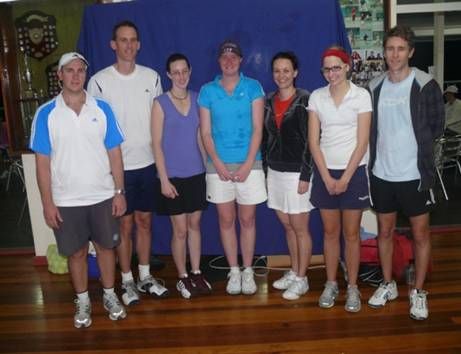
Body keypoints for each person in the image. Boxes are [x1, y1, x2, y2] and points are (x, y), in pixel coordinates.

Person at [30, 52, 127, 328]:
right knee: (76, 253)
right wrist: (48, 203)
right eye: (69, 70)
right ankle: (82, 299)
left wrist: (119, 193)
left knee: (107, 248)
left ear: (85, 74)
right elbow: (42, 165)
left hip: (103, 195)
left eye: (80, 70)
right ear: (59, 75)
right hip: (66, 200)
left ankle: (110, 295)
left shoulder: (103, 109)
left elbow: (116, 155)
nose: (75, 75)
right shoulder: (46, 113)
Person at [367, 25, 445, 320]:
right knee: (384, 232)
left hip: (414, 174)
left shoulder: (426, 84)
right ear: (384, 52)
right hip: (382, 173)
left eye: (401, 49)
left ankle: (419, 292)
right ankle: (388, 285)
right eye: (390, 49)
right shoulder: (373, 86)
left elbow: (437, 126)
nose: (395, 54)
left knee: (420, 234)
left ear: (410, 51)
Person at [87, 20, 167, 306]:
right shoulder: (98, 81)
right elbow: (93, 127)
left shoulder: (152, 77)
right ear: (113, 44)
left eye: (133, 40)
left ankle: (144, 276)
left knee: (145, 221)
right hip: (116, 170)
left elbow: (159, 121)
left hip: (147, 165)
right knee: (124, 227)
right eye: (123, 40)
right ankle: (127, 281)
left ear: (139, 45)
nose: (129, 45)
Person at [198, 40, 266, 295]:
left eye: (233, 57)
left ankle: (248, 271)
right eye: (224, 56)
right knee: (226, 220)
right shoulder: (207, 91)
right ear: (219, 61)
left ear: (240, 60)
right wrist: (217, 163)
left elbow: (258, 129)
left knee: (247, 219)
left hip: (251, 163)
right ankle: (234, 271)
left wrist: (249, 163)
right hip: (218, 165)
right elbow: (205, 133)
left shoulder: (253, 87)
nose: (229, 61)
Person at [308, 45, 372, 312]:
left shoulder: (361, 96)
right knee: (330, 233)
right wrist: (326, 177)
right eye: (327, 68)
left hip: (353, 173)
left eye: (336, 67)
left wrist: (345, 178)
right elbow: (313, 142)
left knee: (352, 234)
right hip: (325, 172)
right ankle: (331, 282)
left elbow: (362, 141)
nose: (331, 73)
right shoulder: (317, 97)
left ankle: (354, 287)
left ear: (347, 67)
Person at [151, 53, 211, 299]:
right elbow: (156, 144)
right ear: (168, 75)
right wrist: (163, 179)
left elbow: (200, 136)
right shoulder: (160, 103)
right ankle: (182, 276)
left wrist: (208, 169)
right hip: (172, 177)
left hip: (196, 173)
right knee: (180, 230)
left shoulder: (198, 99)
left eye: (184, 71)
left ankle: (196, 271)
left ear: (190, 71)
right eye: (175, 72)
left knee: (195, 225)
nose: (181, 76)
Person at [263, 52, 314, 301]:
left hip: (298, 174)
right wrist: (265, 172)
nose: (281, 75)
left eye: (286, 70)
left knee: (300, 228)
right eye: (276, 70)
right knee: (287, 226)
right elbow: (265, 139)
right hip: (275, 172)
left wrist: (306, 174)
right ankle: (294, 271)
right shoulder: (268, 101)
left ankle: (303, 278)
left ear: (295, 72)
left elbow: (311, 142)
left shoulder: (305, 100)